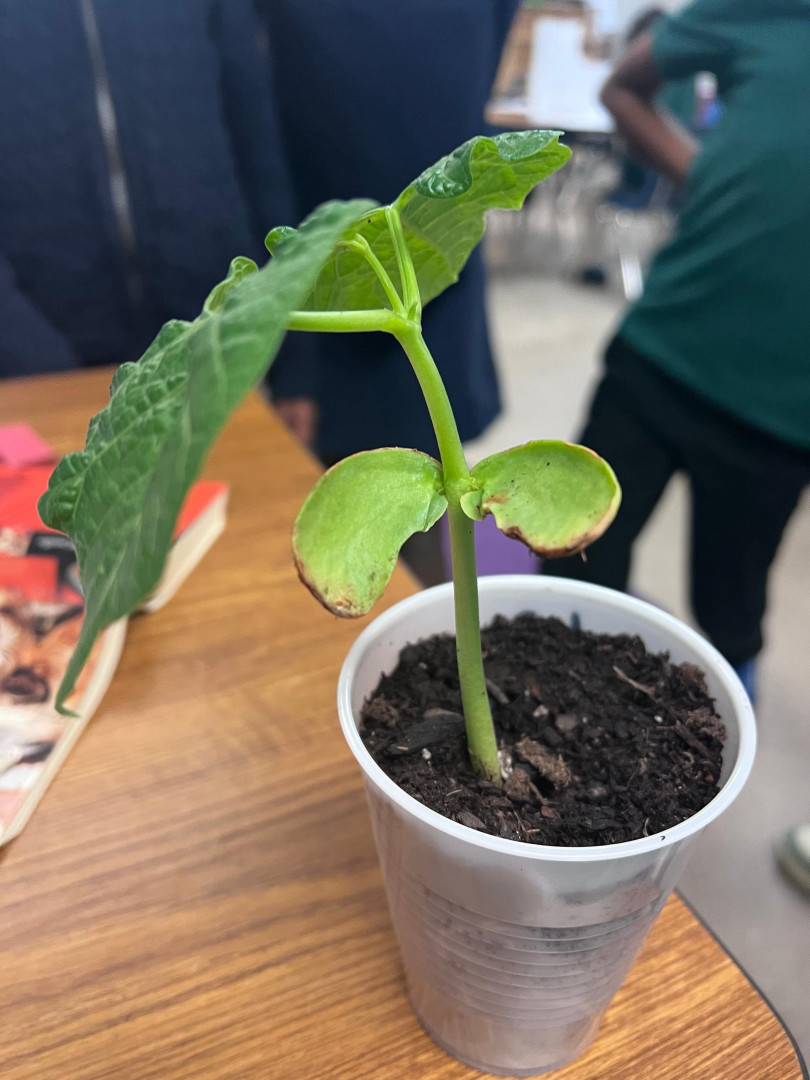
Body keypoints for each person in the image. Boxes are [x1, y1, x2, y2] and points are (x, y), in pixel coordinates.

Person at [545, 0, 810, 705]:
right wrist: (706, 174)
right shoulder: (764, 11)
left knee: (730, 611)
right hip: (661, 352)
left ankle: (733, 739)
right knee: (574, 556)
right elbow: (623, 88)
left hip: (787, 414)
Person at [259, 0, 518, 583]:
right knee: (324, 507)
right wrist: (294, 362)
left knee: (433, 493)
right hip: (322, 266)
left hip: (440, 253)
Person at [0, 0, 310, 380]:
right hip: (43, 358)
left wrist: (292, 359)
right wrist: (32, 358)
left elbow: (257, 141)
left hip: (219, 336)